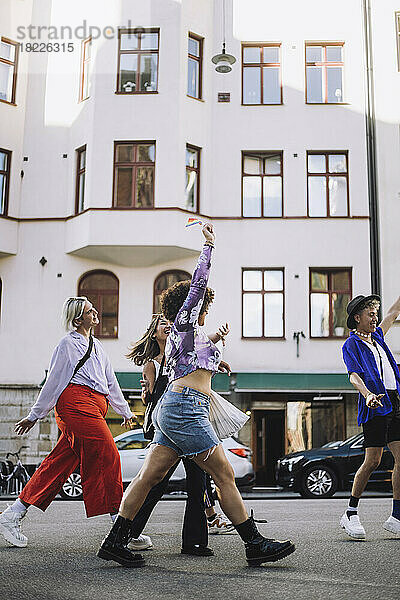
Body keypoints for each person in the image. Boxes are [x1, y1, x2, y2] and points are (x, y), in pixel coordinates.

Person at [98, 223, 295, 567]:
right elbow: (199, 283)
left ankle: (114, 541)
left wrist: (217, 360)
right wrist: (209, 247)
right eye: (202, 302)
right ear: (190, 305)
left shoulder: (191, 336)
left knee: (149, 477)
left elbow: (190, 366)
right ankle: (254, 544)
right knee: (224, 475)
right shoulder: (184, 325)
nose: (204, 305)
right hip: (185, 408)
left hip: (178, 407)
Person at [0, 297, 141, 561]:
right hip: (75, 404)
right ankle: (120, 526)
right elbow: (54, 381)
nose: (96, 312)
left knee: (57, 464)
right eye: (90, 311)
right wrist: (35, 415)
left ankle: (13, 514)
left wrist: (124, 410)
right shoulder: (67, 344)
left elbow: (110, 381)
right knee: (109, 452)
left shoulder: (96, 345)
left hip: (94, 406)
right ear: (78, 319)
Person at [126, 313, 212, 556]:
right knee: (155, 483)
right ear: (154, 334)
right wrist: (145, 392)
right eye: (161, 324)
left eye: (169, 323)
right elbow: (148, 399)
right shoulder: (152, 364)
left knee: (198, 482)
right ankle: (129, 532)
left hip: (188, 425)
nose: (167, 326)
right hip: (166, 429)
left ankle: (194, 543)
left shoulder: (183, 356)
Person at [341, 294, 400, 539]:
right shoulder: (351, 345)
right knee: (373, 461)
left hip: (394, 401)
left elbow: (392, 313)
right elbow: (354, 375)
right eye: (369, 313)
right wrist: (366, 394)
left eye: (375, 312)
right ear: (358, 318)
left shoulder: (377, 337)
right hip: (374, 404)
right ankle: (350, 512)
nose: (374, 317)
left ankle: (396, 516)